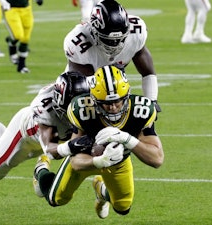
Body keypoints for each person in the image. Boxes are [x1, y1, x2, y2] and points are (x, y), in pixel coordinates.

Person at [34, 65, 164, 219]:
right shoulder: (82, 109)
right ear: (94, 99)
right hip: (87, 157)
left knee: (122, 206)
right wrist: (100, 160)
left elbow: (157, 159)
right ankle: (41, 169)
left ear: (127, 96)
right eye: (106, 103)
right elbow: (75, 161)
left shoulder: (141, 110)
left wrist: (126, 139)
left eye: (118, 101)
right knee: (56, 199)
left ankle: (101, 190)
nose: (113, 107)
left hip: (118, 161)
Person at [64, 0, 161, 112]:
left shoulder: (136, 31)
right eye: (108, 40)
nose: (115, 44)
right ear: (93, 31)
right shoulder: (78, 43)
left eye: (119, 39)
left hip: (115, 82)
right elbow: (82, 87)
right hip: (81, 89)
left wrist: (152, 101)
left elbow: (147, 72)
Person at [4, 0, 43, 73]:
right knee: (17, 35)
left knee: (25, 38)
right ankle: (11, 42)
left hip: (26, 9)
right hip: (11, 9)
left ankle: (22, 65)